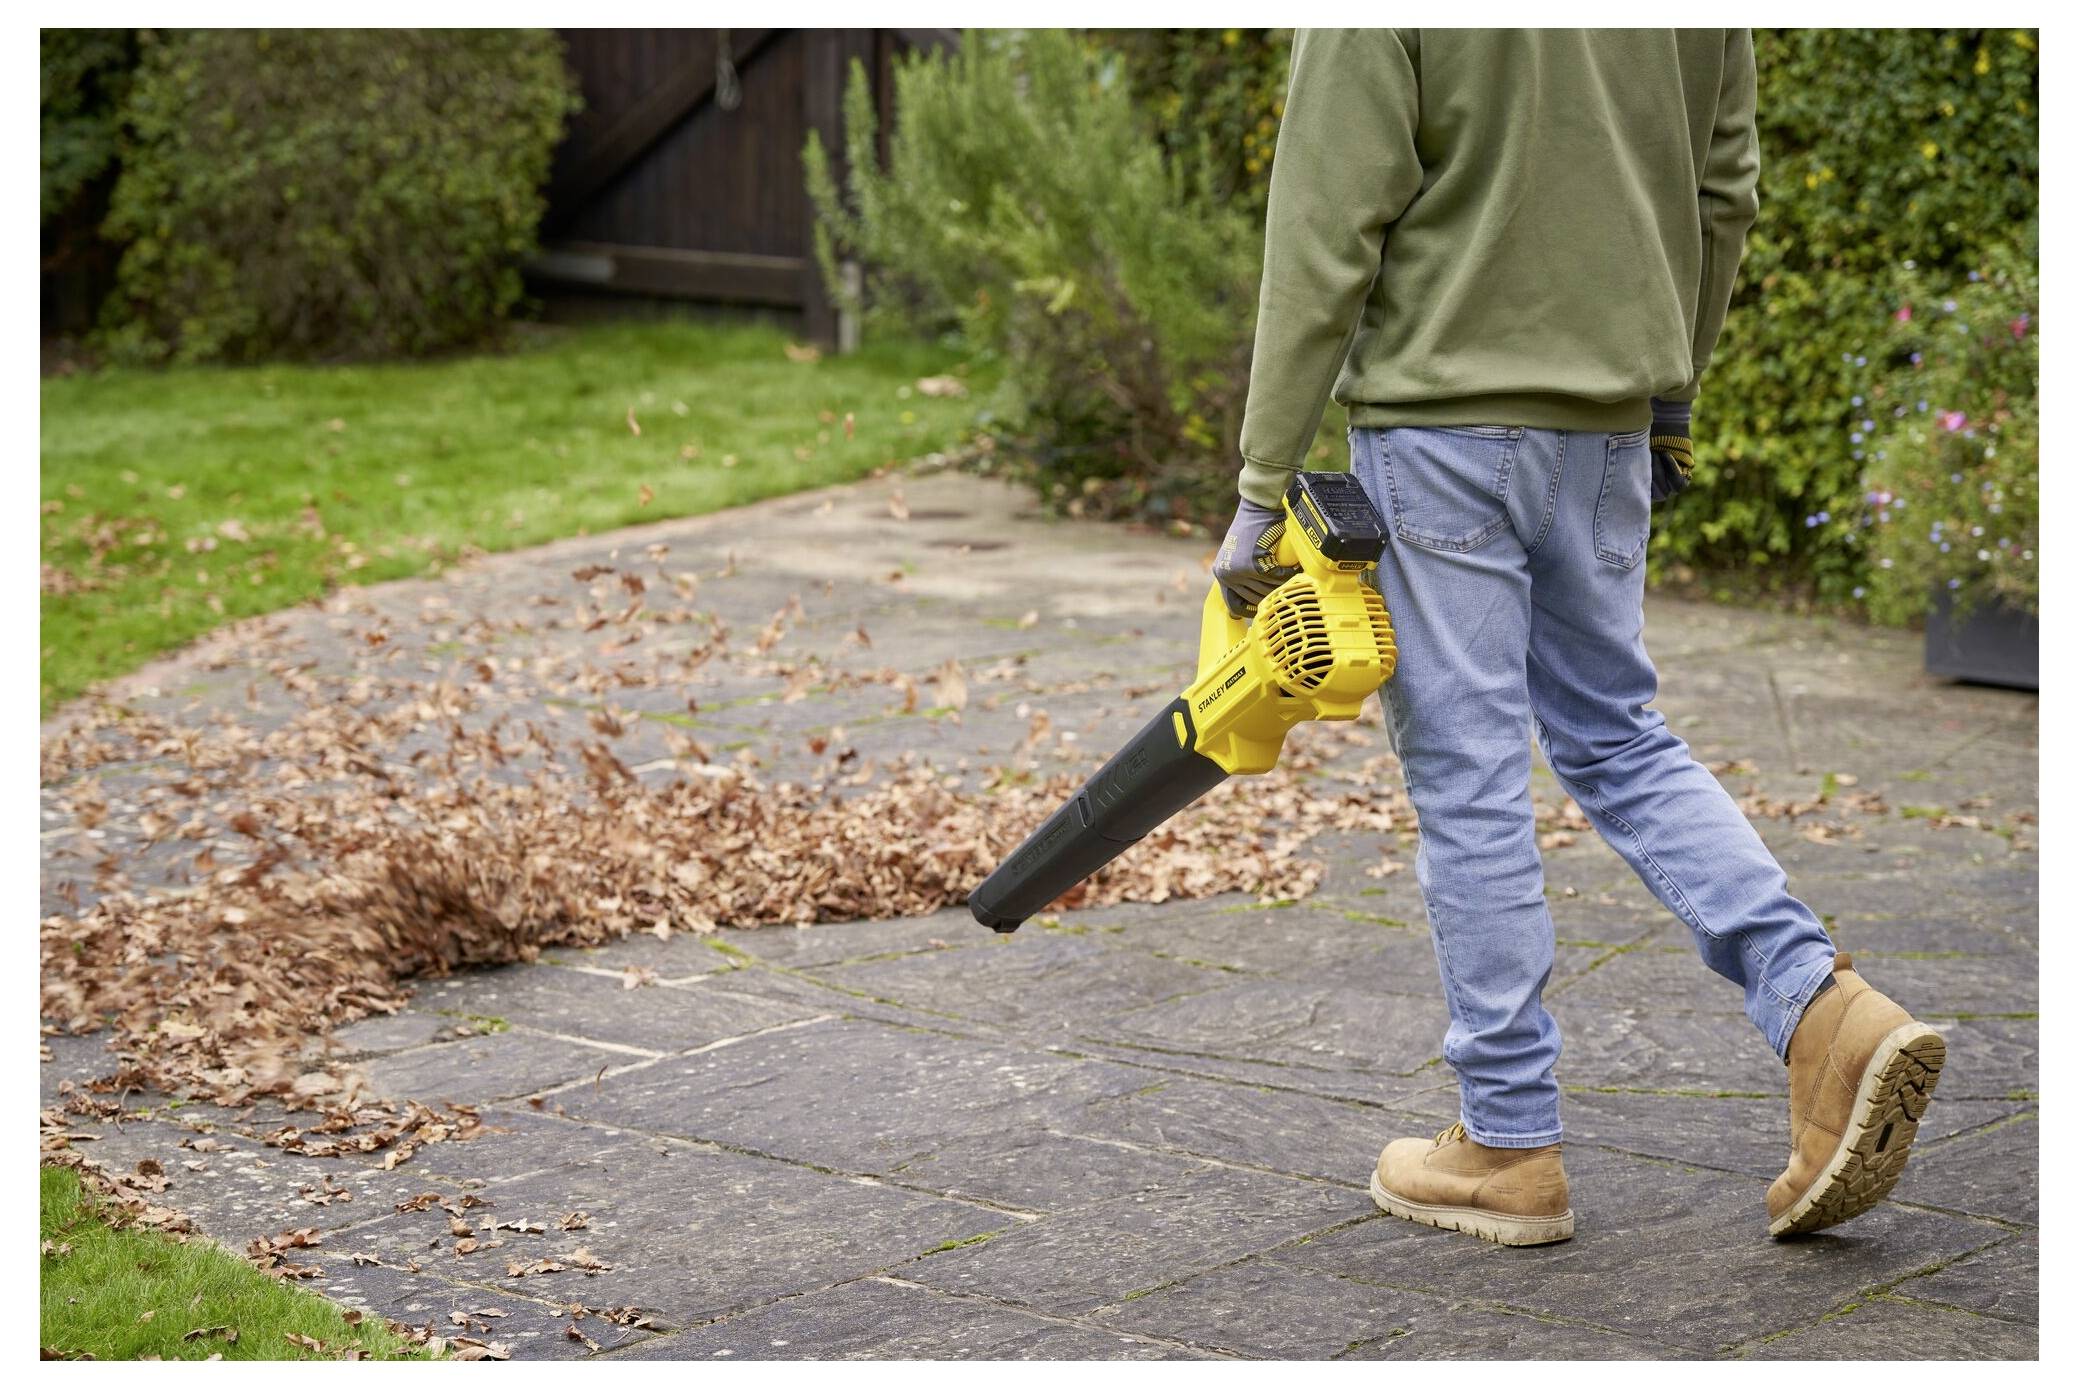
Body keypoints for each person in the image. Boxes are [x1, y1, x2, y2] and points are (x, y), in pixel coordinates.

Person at [1213, 28, 1945, 1246]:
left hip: (1442, 428)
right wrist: (1671, 394)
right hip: (1609, 426)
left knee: (1469, 768)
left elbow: (1324, 230)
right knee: (1618, 735)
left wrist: (1260, 480)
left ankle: (1506, 1141)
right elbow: (1724, 193)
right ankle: (1824, 1007)